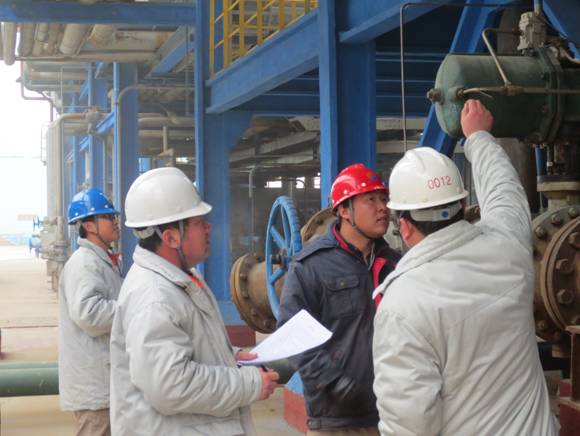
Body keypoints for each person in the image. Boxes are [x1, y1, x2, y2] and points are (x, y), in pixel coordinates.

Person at [372, 99, 557, 435]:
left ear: (405, 226)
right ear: (462, 203)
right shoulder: (509, 247)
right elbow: (505, 194)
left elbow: (409, 423)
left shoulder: (401, 307)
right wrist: (478, 137)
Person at [109, 167, 279, 436]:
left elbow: (187, 344)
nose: (208, 228)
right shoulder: (155, 298)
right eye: (199, 222)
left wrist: (230, 356)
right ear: (171, 237)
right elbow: (170, 386)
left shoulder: (182, 278)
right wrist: (249, 384)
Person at [278, 163, 400, 435]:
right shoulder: (311, 267)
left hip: (392, 412)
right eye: (371, 200)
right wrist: (332, 381)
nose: (382, 207)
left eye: (383, 199)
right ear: (344, 210)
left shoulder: (395, 263)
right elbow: (291, 332)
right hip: (337, 419)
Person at [58, 188, 123, 436]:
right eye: (107, 217)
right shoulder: (84, 263)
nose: (115, 222)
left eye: (113, 216)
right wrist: (133, 308)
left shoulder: (102, 260)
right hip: (95, 387)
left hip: (106, 380)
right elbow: (90, 315)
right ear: (88, 226)